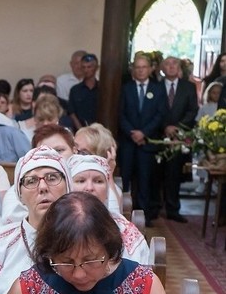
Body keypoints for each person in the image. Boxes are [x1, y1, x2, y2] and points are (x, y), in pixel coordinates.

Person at [0, 192, 174, 294]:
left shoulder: (144, 285)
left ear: (109, 249)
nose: (79, 274)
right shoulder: (28, 288)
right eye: (66, 262)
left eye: (90, 261)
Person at [0, 146, 71, 294]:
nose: (43, 188)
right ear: (19, 194)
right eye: (31, 181)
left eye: (52, 178)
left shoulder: (86, 237)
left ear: (67, 186)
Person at [68, 154, 148, 263]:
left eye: (98, 181)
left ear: (107, 191)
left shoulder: (123, 229)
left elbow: (142, 270)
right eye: (81, 181)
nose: (89, 188)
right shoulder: (57, 225)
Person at [119, 54, 168, 227]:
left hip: (147, 143)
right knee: (125, 180)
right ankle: (121, 217)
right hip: (128, 142)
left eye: (143, 67)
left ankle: (143, 218)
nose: (140, 70)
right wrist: (133, 133)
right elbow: (121, 114)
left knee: (145, 181)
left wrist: (144, 133)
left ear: (150, 69)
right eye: (137, 67)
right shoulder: (126, 88)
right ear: (133, 69)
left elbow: (160, 115)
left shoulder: (158, 89)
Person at [157, 56, 198, 223]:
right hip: (158, 136)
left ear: (179, 67)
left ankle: (173, 209)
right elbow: (153, 111)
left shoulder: (189, 87)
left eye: (174, 63)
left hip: (180, 137)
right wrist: (165, 127)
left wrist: (178, 128)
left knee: (174, 174)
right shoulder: (156, 87)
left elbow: (192, 110)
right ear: (162, 68)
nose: (171, 66)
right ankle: (154, 208)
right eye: (167, 64)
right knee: (156, 174)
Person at [67, 53, 99, 130]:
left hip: (99, 131)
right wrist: (81, 129)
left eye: (89, 67)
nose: (86, 70)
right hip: (80, 130)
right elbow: (71, 112)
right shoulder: (75, 90)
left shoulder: (103, 89)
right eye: (83, 67)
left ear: (96, 68)